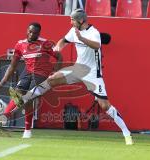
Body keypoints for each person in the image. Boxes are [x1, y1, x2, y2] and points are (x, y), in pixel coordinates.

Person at [9, 9, 133, 145]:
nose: (71, 22)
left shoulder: (94, 32)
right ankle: (25, 98)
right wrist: (57, 49)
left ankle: (127, 134)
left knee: (105, 105)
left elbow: (97, 45)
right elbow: (64, 40)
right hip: (78, 69)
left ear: (81, 20)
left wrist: (81, 39)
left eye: (73, 20)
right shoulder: (73, 30)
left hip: (93, 74)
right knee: (51, 79)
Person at [0, 22, 62, 138]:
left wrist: (54, 73)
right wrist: (1, 84)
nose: (32, 35)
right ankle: (6, 119)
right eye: (30, 31)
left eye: (35, 33)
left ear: (39, 34)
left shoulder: (45, 43)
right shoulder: (20, 45)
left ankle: (23, 128)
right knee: (17, 95)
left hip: (41, 73)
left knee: (29, 97)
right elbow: (12, 66)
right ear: (27, 30)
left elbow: (59, 57)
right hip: (27, 72)